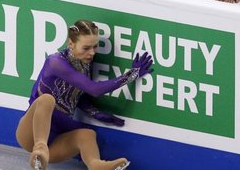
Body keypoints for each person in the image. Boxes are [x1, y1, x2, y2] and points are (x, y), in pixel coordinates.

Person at [15, 20, 153, 170]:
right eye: (86, 48)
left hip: (57, 137)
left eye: (95, 47)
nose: (92, 52)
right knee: (47, 99)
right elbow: (94, 89)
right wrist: (131, 75)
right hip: (32, 132)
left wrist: (95, 113)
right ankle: (40, 150)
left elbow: (74, 95)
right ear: (71, 43)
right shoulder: (55, 62)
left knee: (87, 135)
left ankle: (96, 164)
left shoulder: (84, 63)